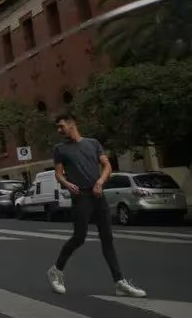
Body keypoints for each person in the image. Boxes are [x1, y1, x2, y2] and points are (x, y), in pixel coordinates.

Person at [47, 113, 146, 297]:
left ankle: (119, 282)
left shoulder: (92, 143)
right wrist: (67, 183)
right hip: (80, 196)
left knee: (107, 239)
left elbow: (107, 166)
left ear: (72, 124)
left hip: (98, 194)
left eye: (61, 126)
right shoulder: (60, 149)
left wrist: (100, 181)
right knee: (79, 237)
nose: (59, 130)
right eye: (58, 127)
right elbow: (59, 174)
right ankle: (56, 270)